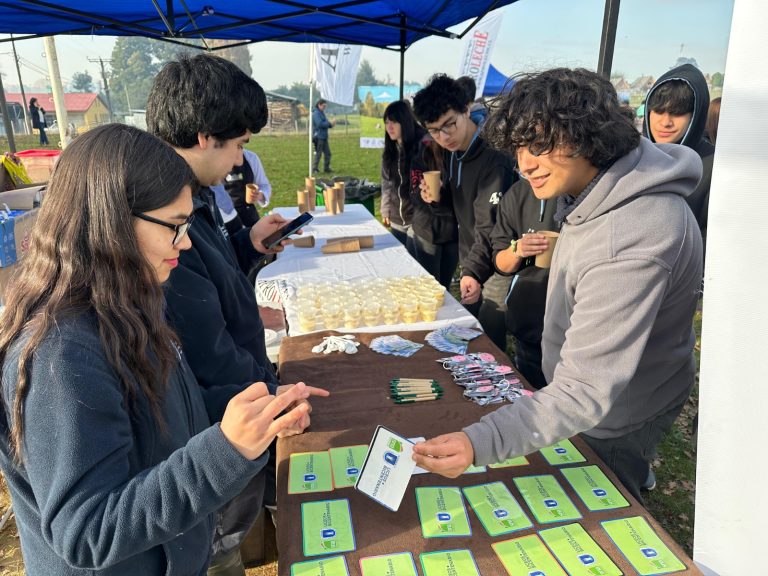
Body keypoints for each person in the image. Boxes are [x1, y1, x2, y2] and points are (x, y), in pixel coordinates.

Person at [0, 124, 313, 575]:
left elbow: (162, 407)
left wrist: (259, 409)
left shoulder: (130, 300)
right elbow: (87, 531)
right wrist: (225, 450)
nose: (185, 242)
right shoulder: (61, 354)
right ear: (111, 223)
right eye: (174, 226)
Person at [413, 68, 704, 503]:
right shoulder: (597, 188)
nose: (524, 164)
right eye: (518, 149)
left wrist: (481, 442)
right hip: (594, 397)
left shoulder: (633, 234)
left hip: (618, 410)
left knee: (607, 507)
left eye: (539, 145)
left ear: (589, 134)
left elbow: (585, 390)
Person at [147, 54, 329, 575]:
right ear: (206, 137)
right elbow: (206, 346)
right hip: (218, 422)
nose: (238, 162)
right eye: (240, 145)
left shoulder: (192, 197)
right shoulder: (162, 211)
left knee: (228, 533)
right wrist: (270, 401)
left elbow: (213, 275)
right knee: (219, 542)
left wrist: (246, 246)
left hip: (230, 408)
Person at [413, 74, 517, 350]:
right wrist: (436, 198)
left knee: (489, 334)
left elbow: (489, 223)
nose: (443, 136)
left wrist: (471, 270)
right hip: (472, 253)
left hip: (498, 259)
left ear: (466, 109)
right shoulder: (453, 150)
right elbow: (461, 206)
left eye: (449, 125)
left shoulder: (494, 158)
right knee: (472, 333)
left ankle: (502, 388)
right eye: (434, 130)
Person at [490, 177, 558, 389]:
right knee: (533, 394)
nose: (529, 163)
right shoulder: (516, 194)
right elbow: (500, 263)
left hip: (573, 322)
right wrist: (517, 250)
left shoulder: (582, 192)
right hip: (529, 318)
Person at [643, 63, 713, 249]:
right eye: (658, 111)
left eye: (678, 113)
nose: (665, 122)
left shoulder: (713, 166)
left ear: (696, 115)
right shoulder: (631, 157)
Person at [408, 134, 460, 291]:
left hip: (453, 232)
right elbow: (414, 191)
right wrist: (423, 193)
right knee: (430, 288)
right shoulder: (425, 150)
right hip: (428, 230)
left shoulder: (462, 153)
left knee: (444, 288)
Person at [380, 100, 424, 246]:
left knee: (416, 264)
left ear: (404, 122)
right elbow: (386, 183)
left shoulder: (422, 148)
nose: (389, 127)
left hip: (417, 220)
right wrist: (385, 209)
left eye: (394, 122)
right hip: (396, 219)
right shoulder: (390, 151)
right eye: (386, 122)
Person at [212, 149, 272, 235]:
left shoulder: (251, 158)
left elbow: (264, 185)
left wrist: (261, 195)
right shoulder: (213, 160)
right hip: (224, 218)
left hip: (248, 213)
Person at [312, 98, 335, 173]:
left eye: (325, 106)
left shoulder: (321, 113)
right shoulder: (316, 113)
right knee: (318, 153)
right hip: (318, 137)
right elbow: (319, 124)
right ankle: (314, 168)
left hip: (324, 136)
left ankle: (326, 168)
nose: (324, 107)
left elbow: (326, 123)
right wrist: (329, 123)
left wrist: (331, 124)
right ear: (319, 105)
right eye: (323, 106)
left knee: (328, 153)